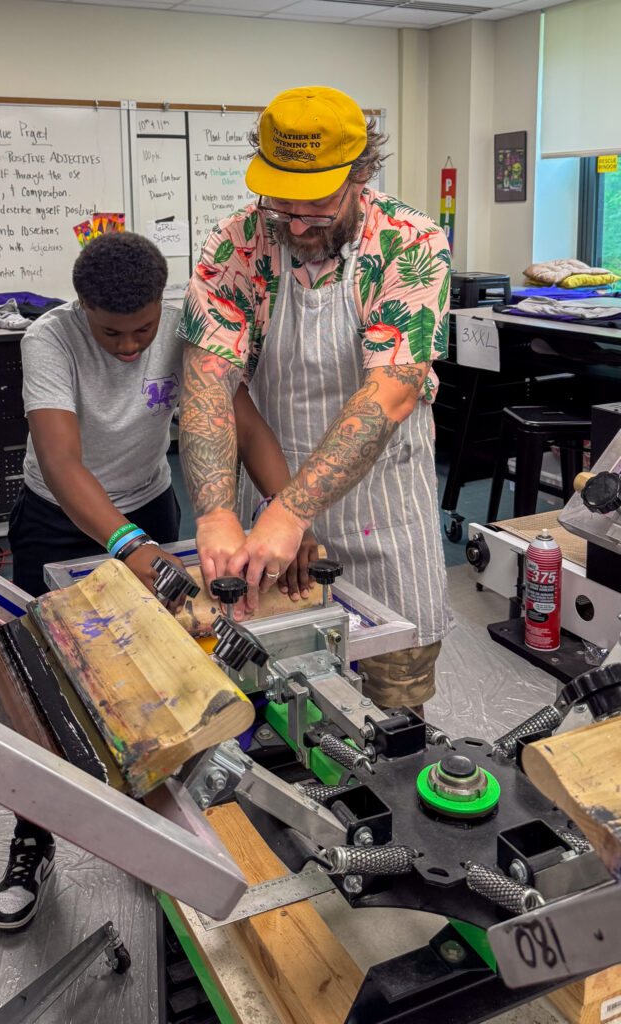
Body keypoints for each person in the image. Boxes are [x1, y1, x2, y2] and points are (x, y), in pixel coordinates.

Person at [179, 85, 452, 720]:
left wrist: (293, 509)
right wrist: (218, 511)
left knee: (391, 707)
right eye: (282, 205)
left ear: (362, 176)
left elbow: (390, 391)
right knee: (275, 701)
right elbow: (208, 381)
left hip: (382, 519)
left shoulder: (411, 243)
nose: (297, 224)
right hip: (266, 516)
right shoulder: (237, 244)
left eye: (319, 207)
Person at [0, 231, 185, 930]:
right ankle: (32, 838)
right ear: (82, 309)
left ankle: (155, 834)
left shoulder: (189, 318)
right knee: (45, 690)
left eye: (144, 329)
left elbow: (228, 417)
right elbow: (61, 459)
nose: (132, 346)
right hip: (57, 517)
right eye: (113, 332)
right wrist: (129, 545)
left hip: (150, 504)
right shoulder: (51, 339)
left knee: (155, 681)